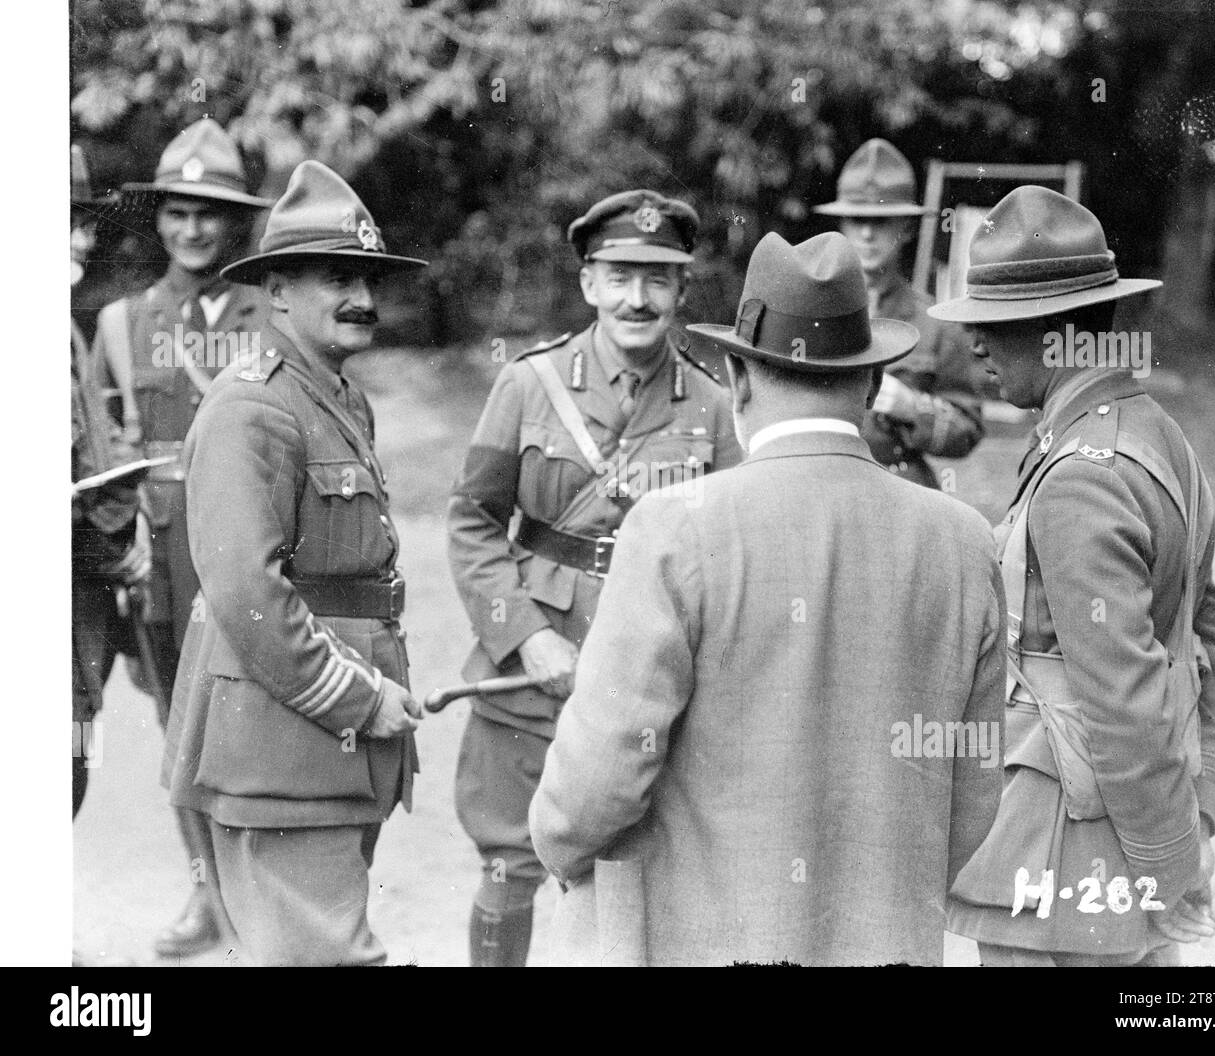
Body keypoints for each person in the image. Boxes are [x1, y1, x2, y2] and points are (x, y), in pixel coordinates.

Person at [528, 231, 1006, 966]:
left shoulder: (672, 528)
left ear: (738, 378)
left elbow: (595, 783)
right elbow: (975, 798)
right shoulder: (965, 540)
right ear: (873, 384)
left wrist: (558, 844)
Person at [930, 186, 1215, 966]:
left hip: (1063, 870)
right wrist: (1192, 826)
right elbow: (1214, 655)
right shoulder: (1152, 432)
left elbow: (1124, 694)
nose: (973, 344)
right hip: (1125, 854)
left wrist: (1173, 872)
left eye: (994, 327)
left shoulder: (1080, 476)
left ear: (1055, 335)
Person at [448, 189, 744, 965]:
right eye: (619, 276)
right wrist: (525, 638)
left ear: (683, 290)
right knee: (507, 865)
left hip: (653, 672)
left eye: (657, 279)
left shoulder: (713, 408)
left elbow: (730, 549)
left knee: (640, 875)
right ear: (588, 284)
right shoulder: (527, 385)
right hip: (535, 670)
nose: (636, 299)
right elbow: (474, 520)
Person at [161, 160, 427, 966]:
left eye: (370, 280)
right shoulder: (252, 405)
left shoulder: (338, 396)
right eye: (338, 279)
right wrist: (357, 699)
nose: (364, 300)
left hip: (323, 752)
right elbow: (247, 592)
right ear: (276, 291)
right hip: (284, 746)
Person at [92, 118, 274, 957]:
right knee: (182, 728)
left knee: (265, 724)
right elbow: (103, 450)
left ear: (235, 220)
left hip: (255, 552)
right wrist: (120, 540)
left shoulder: (274, 315)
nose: (193, 230)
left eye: (210, 213)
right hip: (162, 557)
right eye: (177, 213)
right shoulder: (122, 324)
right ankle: (207, 890)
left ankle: (265, 893)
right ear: (158, 218)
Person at [813, 138, 983, 488]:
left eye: (882, 221)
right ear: (841, 225)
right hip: (820, 483)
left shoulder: (936, 323)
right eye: (856, 219)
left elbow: (968, 431)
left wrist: (912, 406)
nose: (866, 233)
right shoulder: (807, 312)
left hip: (902, 489)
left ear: (906, 228)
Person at [71, 144, 151, 818]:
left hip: (78, 614)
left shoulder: (67, 332)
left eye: (83, 219)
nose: (82, 235)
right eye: (64, 220)